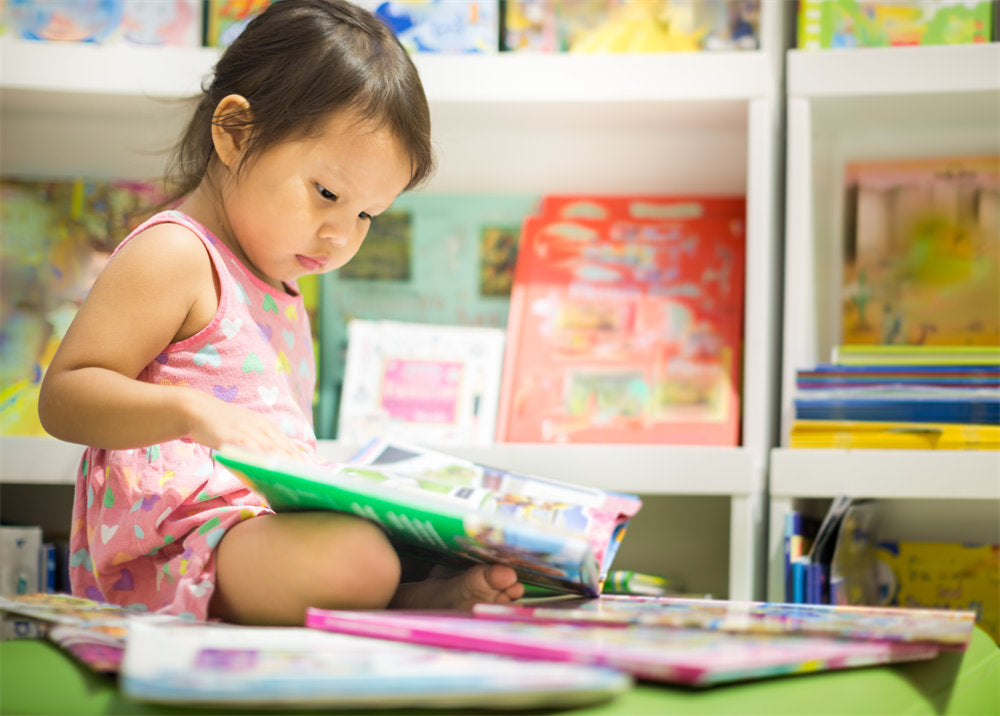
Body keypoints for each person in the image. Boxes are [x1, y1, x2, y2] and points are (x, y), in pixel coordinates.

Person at [38, 0, 523, 625]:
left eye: (367, 215)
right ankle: (392, 596)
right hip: (177, 550)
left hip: (254, 532)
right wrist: (193, 411)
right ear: (235, 133)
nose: (341, 237)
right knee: (359, 561)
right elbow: (64, 398)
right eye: (327, 194)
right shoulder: (177, 252)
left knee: (422, 545)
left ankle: (404, 591)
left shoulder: (280, 285)